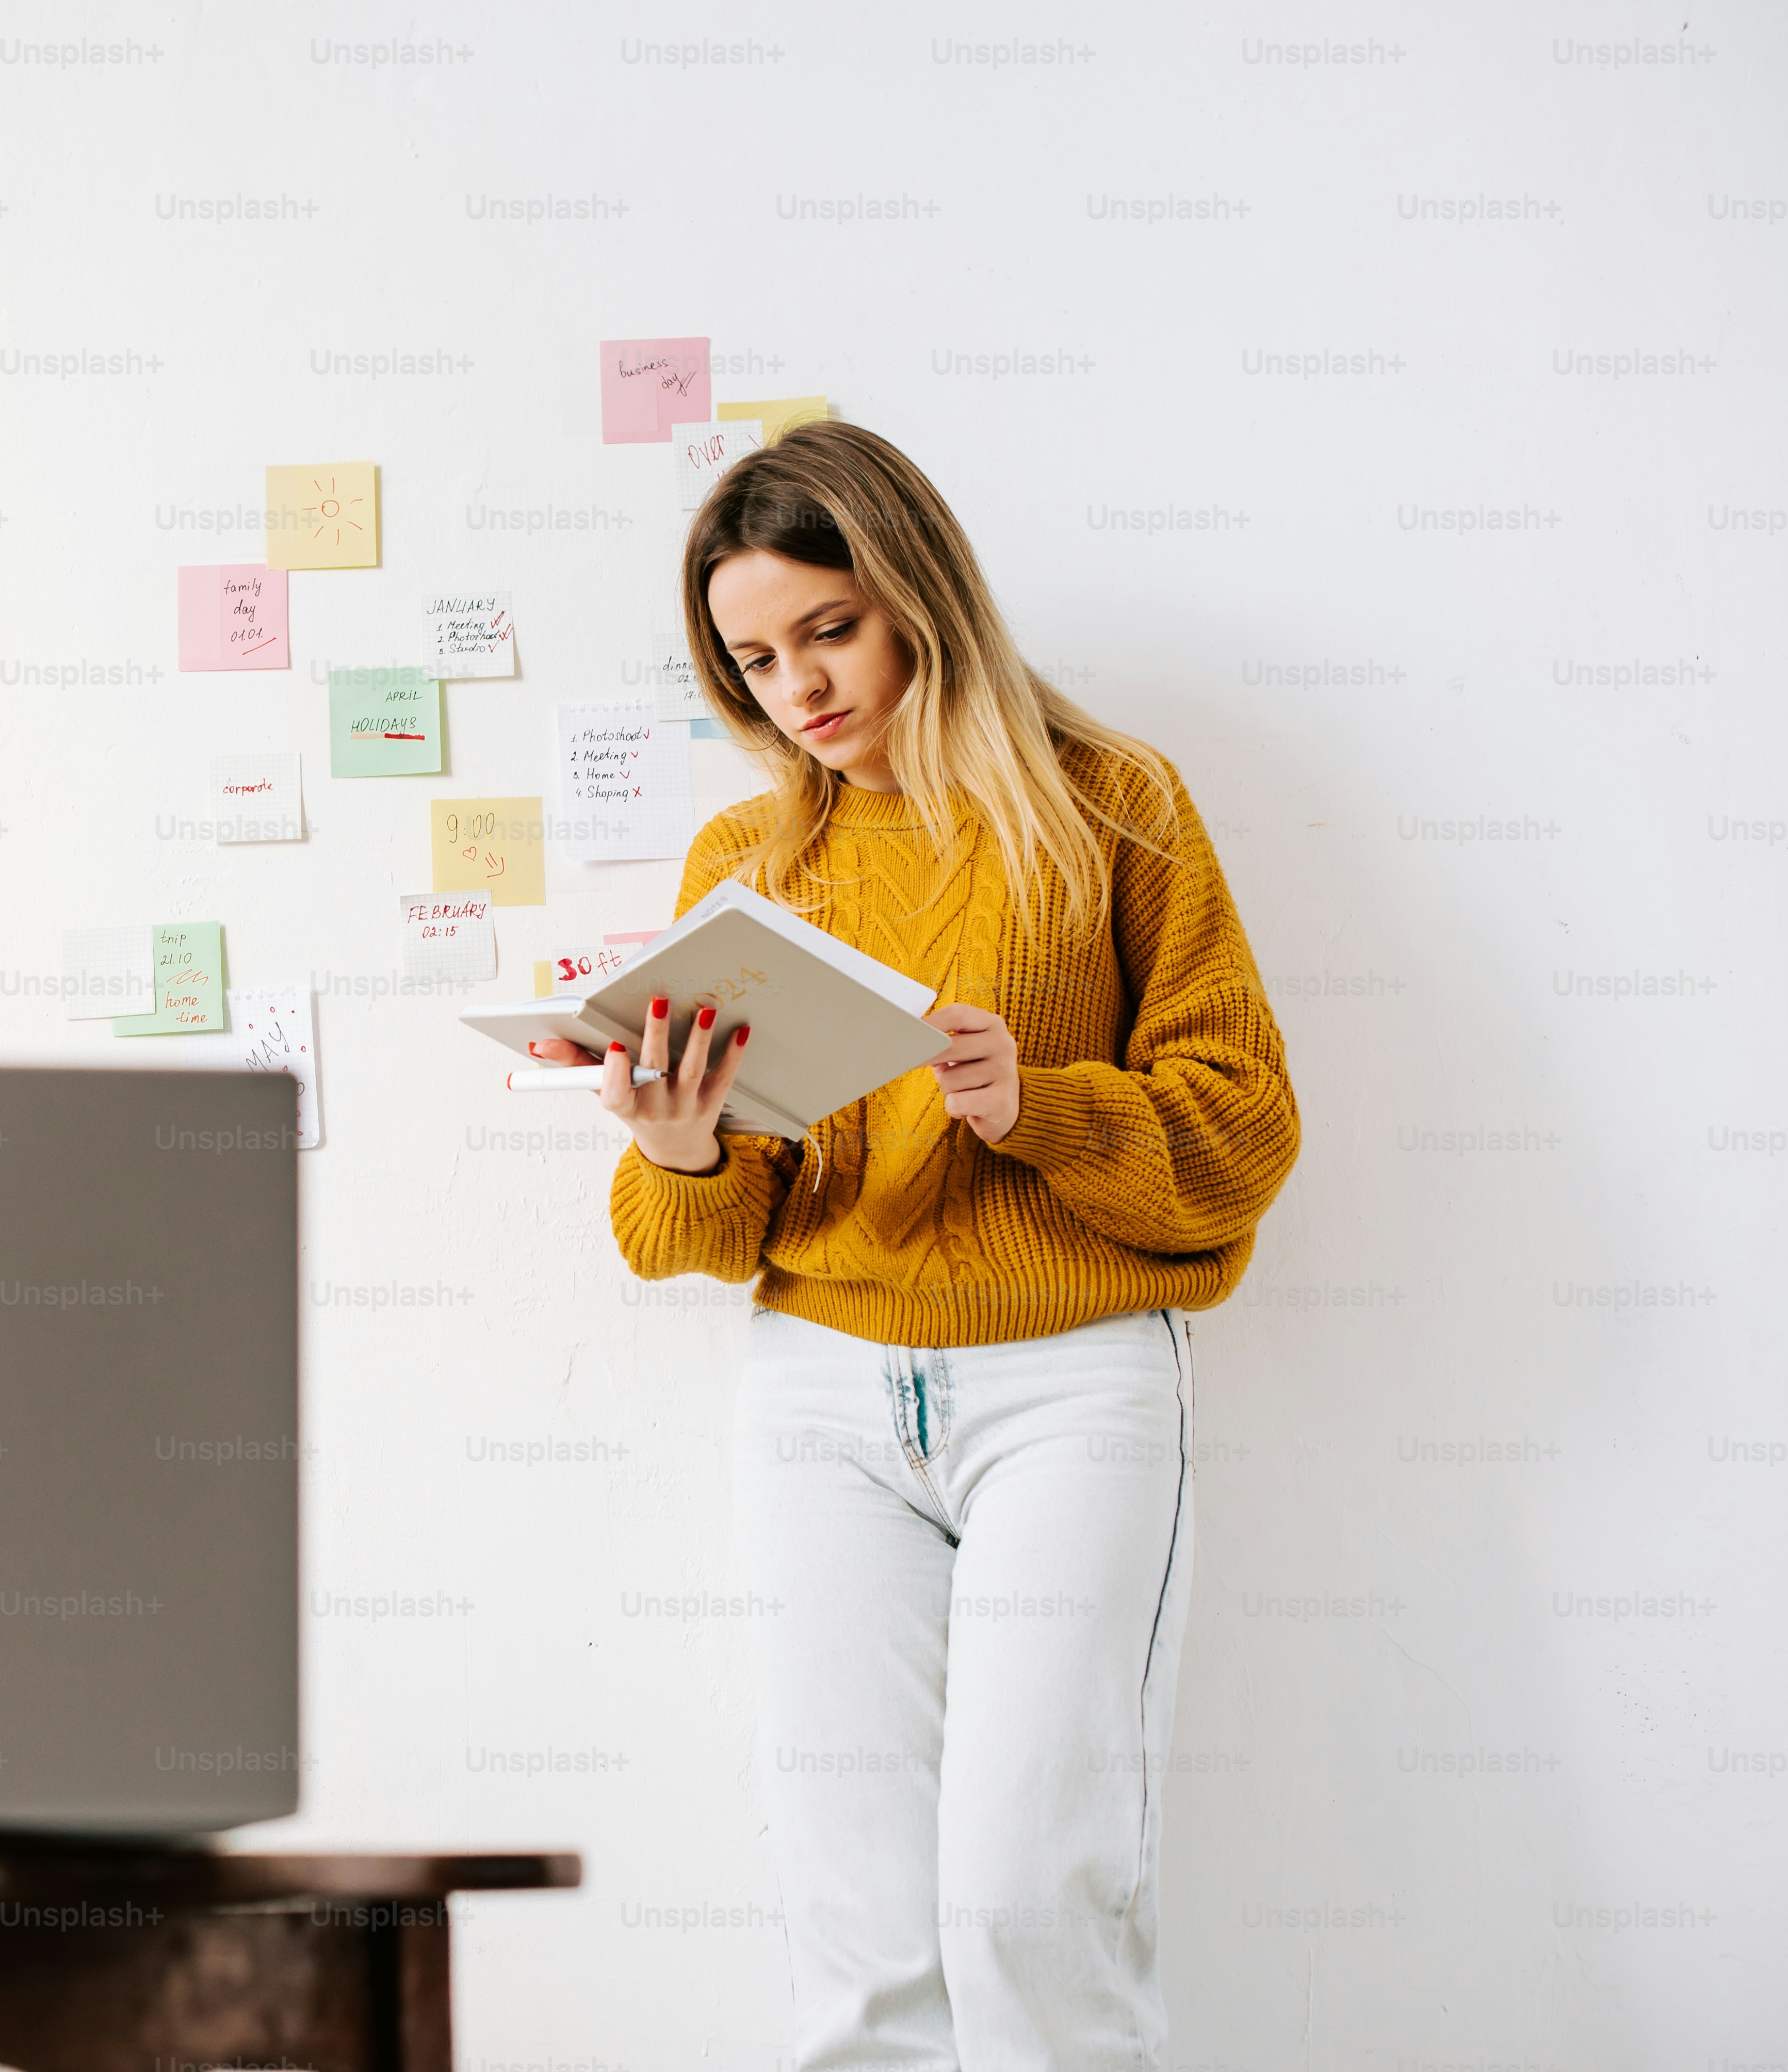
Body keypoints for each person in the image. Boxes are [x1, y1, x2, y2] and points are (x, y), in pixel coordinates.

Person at [531, 420, 1299, 2067]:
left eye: (830, 631)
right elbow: (697, 1237)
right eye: (753, 657)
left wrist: (1042, 1106)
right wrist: (676, 1148)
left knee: (1029, 1903)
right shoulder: (749, 863)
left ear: (921, 598)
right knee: (859, 1933)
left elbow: (1243, 1135)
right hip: (819, 1395)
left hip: (1072, 1391)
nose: (799, 687)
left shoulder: (1116, 807)